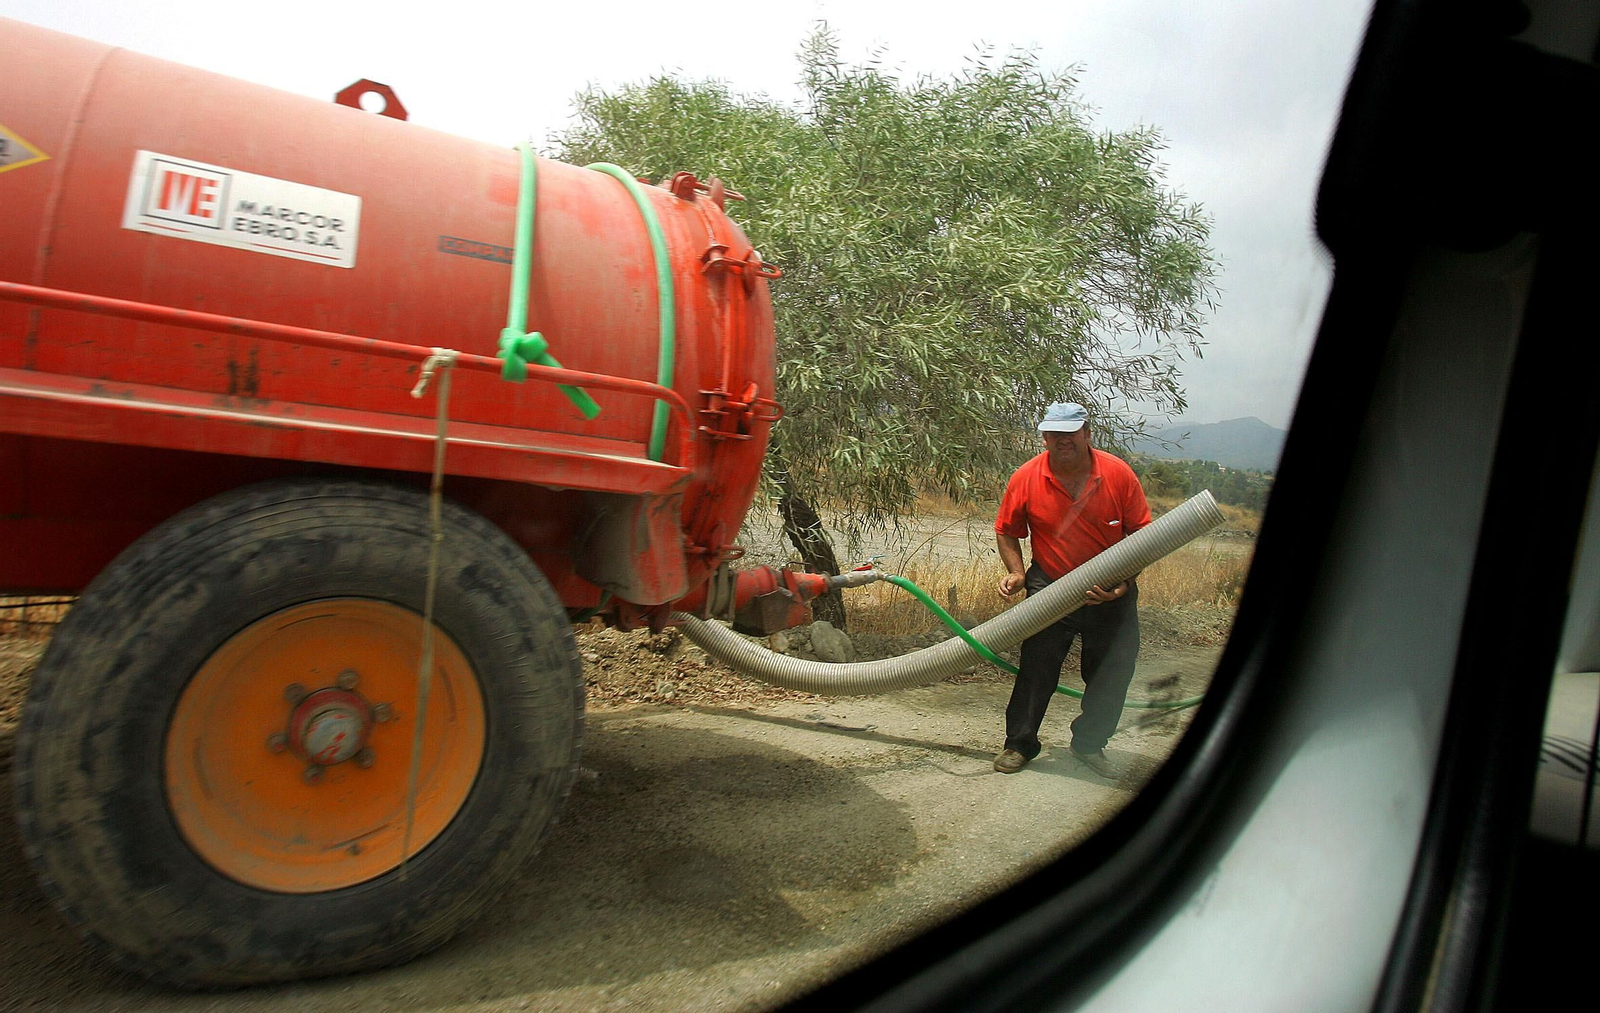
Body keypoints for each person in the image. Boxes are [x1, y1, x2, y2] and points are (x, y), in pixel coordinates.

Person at [991, 402, 1152, 777]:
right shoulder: (1027, 477)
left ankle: (1089, 745)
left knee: (1112, 674)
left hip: (1109, 589)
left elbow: (1144, 536)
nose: (1062, 440)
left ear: (1087, 433)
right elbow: (1006, 529)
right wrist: (1016, 573)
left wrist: (1122, 586)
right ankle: (1019, 745)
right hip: (1050, 586)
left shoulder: (1118, 475)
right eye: (1054, 434)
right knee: (1036, 670)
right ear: (1045, 437)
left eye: (1070, 433)